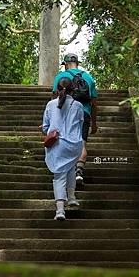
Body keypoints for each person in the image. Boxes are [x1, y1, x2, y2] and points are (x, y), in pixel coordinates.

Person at [51, 53, 98, 186]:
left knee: (63, 141)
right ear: (77, 63)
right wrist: (94, 123)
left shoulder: (60, 77)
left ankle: (64, 171)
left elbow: (54, 98)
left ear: (65, 64)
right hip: (84, 113)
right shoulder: (88, 77)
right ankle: (78, 172)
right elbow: (94, 103)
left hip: (65, 113)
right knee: (81, 143)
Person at [42, 77, 84, 220]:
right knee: (71, 167)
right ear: (73, 90)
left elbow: (46, 128)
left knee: (59, 175)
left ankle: (60, 210)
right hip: (74, 145)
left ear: (57, 90)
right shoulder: (78, 106)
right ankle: (71, 197)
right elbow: (80, 125)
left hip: (57, 145)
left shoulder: (50, 104)